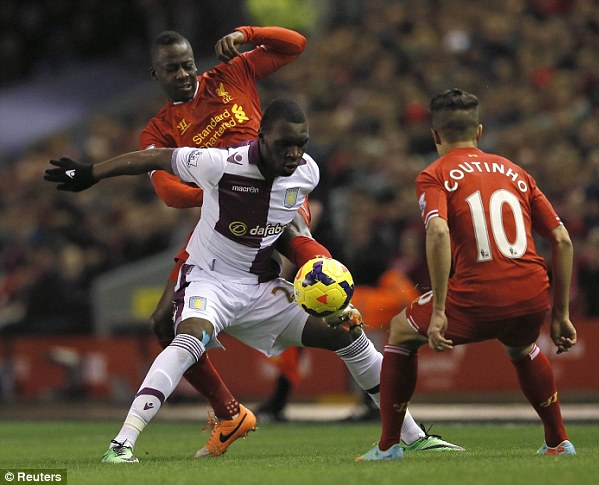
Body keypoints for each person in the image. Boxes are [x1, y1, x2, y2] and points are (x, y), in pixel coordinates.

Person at [45, 98, 463, 463]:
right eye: (284, 144)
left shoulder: (307, 173)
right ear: (262, 137)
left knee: (349, 337)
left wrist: (323, 272)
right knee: (187, 340)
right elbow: (156, 158)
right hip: (209, 280)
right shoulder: (219, 164)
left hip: (261, 290)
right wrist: (90, 173)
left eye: (301, 143)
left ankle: (413, 437)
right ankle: (122, 444)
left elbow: (294, 232)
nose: (294, 152)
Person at [357, 89, 578, 461]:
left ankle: (389, 445)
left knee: (400, 329)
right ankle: (558, 440)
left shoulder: (434, 174)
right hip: (532, 293)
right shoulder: (516, 172)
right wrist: (561, 314)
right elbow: (562, 239)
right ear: (479, 130)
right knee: (521, 346)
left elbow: (438, 232)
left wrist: (440, 309)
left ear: (435, 135)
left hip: (478, 295)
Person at [142, 26, 308, 455]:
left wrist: (250, 33)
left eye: (187, 65)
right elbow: (167, 192)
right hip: (222, 223)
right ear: (155, 74)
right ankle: (229, 411)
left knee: (305, 264)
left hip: (276, 197)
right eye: (171, 69)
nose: (182, 74)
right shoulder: (158, 130)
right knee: (163, 322)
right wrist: (222, 191)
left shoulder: (231, 74)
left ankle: (338, 312)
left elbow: (295, 45)